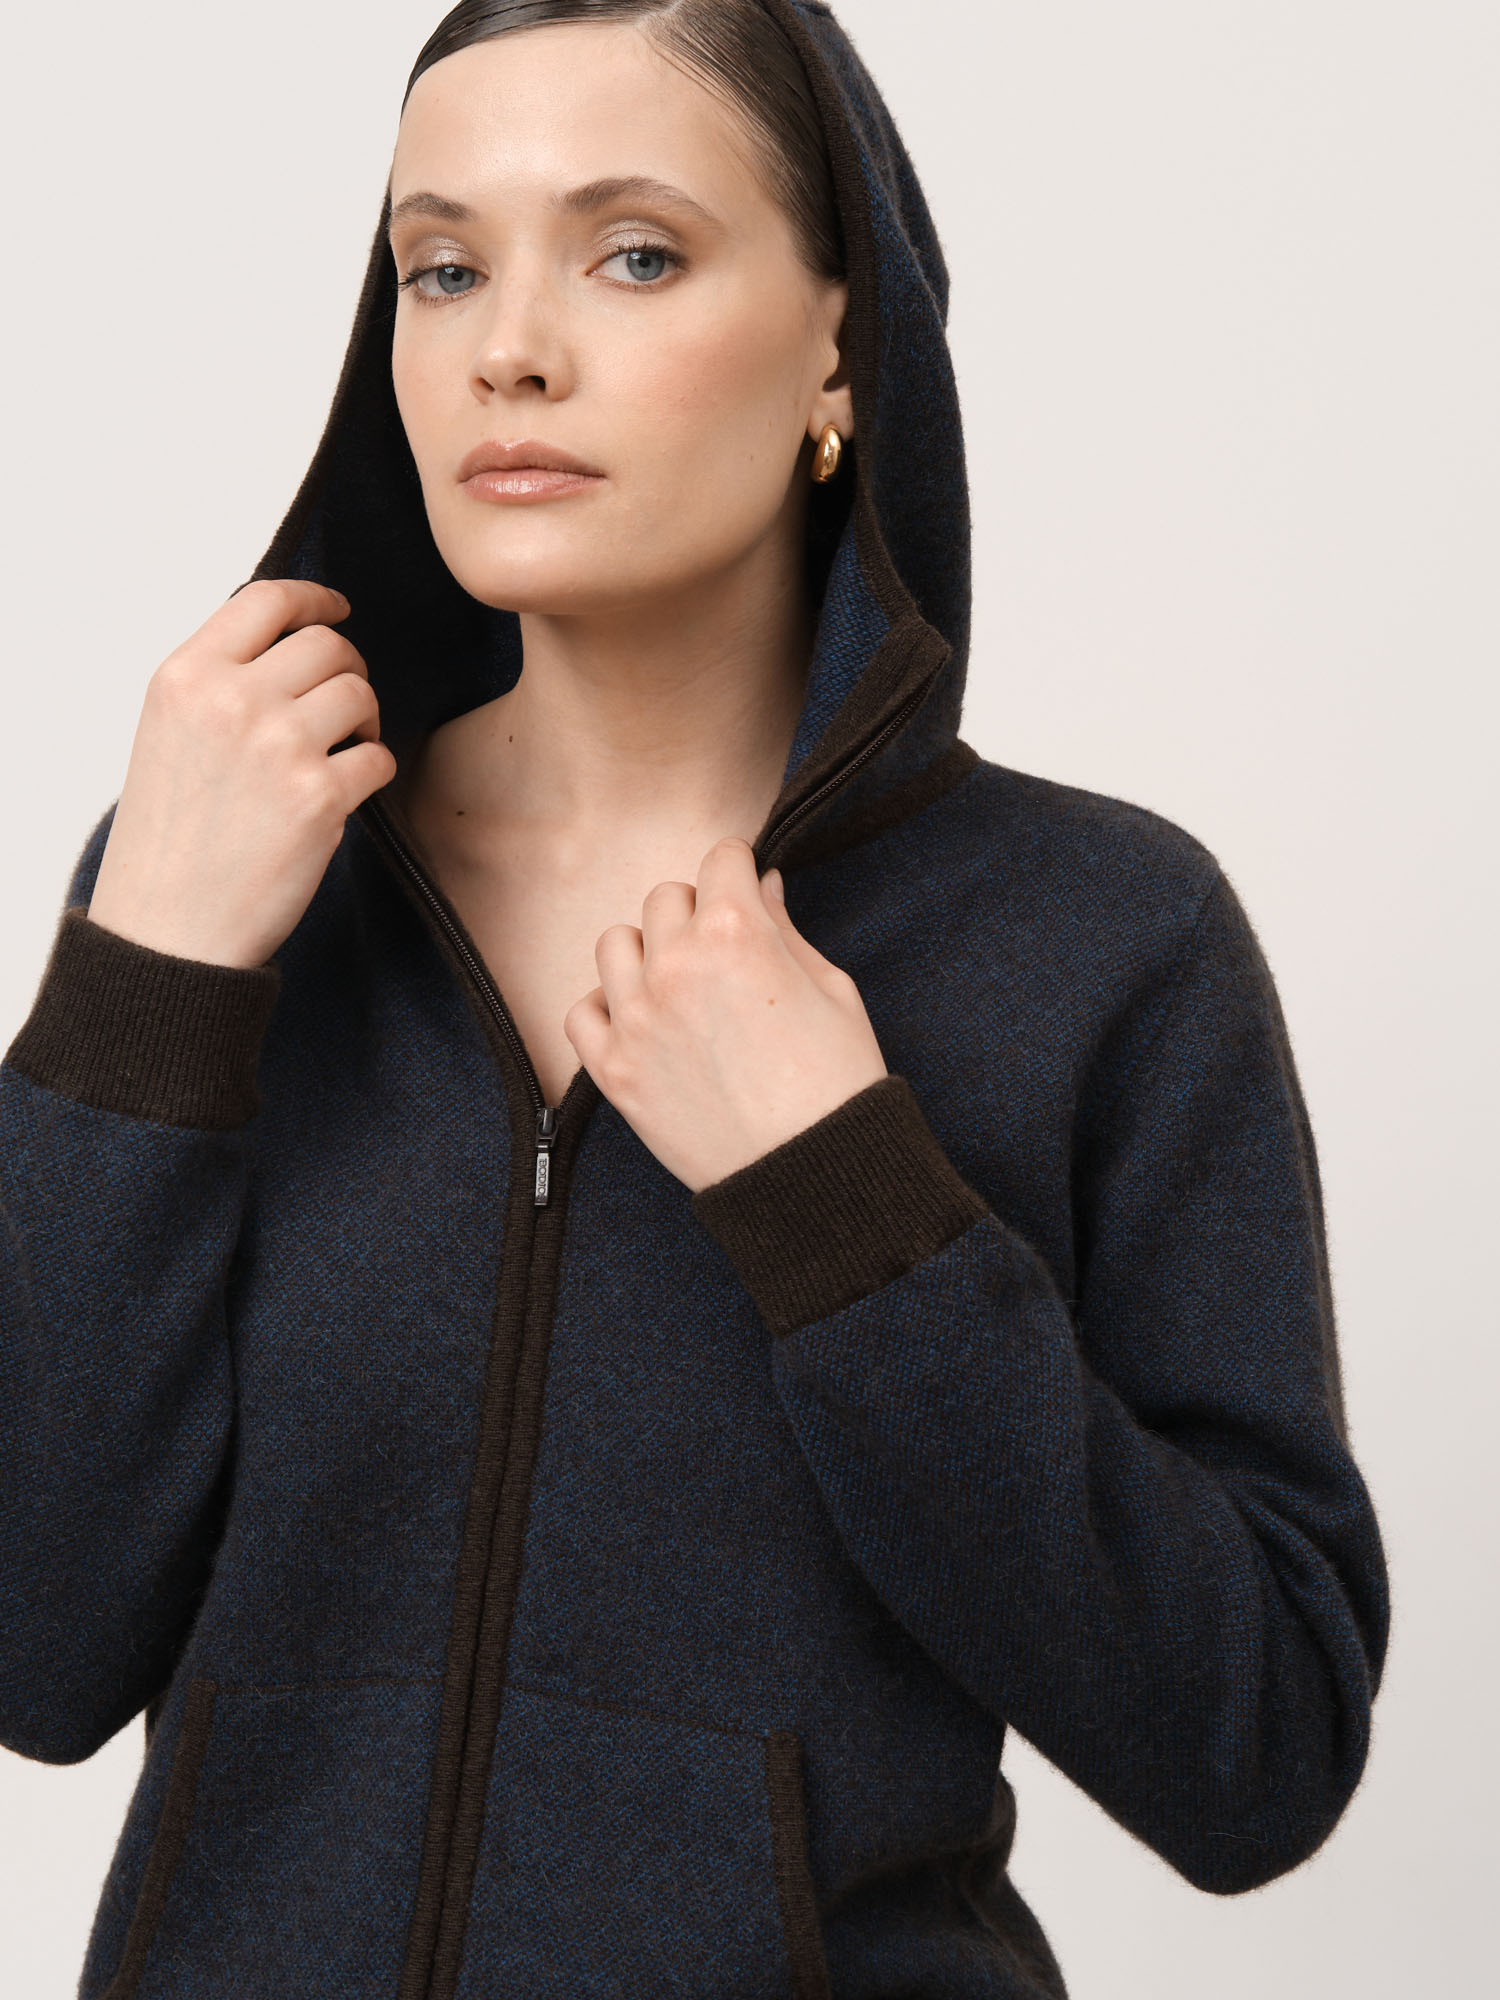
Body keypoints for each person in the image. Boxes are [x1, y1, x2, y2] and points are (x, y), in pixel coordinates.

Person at [0, 3, 1389, 1996]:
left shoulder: (1102, 942)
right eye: (442, 267)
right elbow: (35, 1653)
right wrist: (144, 983)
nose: (509, 348)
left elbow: (1253, 1753)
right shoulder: (225, 882)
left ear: (841, 346)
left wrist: (843, 1196)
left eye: (633, 252)